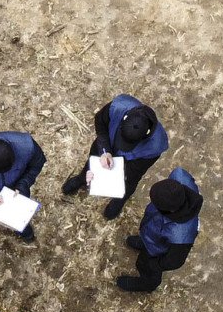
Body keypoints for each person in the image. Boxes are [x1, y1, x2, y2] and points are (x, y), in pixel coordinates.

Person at [61, 93, 169, 221]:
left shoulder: (155, 146)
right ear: (124, 119)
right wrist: (104, 151)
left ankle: (120, 199)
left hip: (134, 160)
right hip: (108, 144)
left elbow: (134, 171)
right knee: (94, 157)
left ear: (145, 136)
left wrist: (110, 176)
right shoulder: (118, 107)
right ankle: (82, 178)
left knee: (130, 181)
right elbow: (100, 124)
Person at [118, 169, 202, 293]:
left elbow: (174, 261)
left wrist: (155, 264)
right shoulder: (179, 177)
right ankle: (145, 242)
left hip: (158, 251)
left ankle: (147, 284)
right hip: (155, 232)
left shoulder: (180, 235)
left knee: (145, 265)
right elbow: (180, 172)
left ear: (171, 211)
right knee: (150, 238)